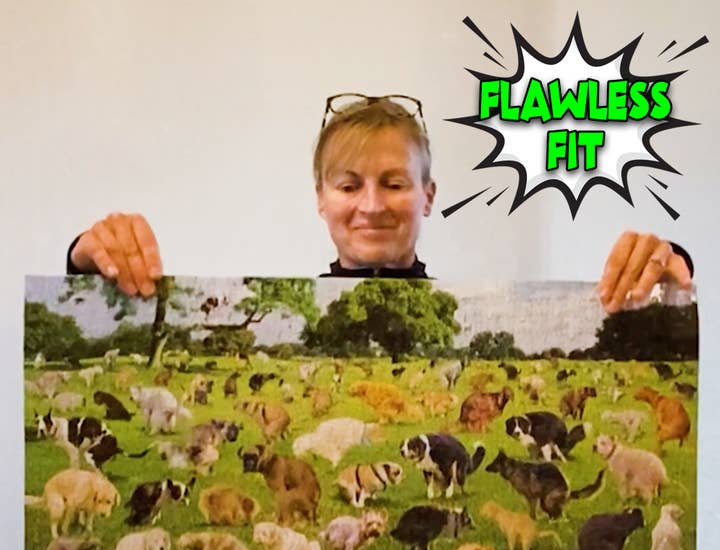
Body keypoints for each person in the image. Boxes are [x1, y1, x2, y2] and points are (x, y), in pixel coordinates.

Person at [65, 94, 693, 309]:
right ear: (320, 200)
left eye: (393, 183)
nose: (370, 204)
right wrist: (85, 261)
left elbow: (668, 290)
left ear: (428, 196)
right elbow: (90, 286)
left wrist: (670, 269)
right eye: (348, 185)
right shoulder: (281, 315)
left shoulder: (481, 311)